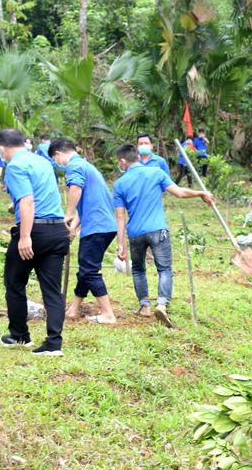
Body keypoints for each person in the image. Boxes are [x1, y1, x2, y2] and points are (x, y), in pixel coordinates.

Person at [112, 143, 213, 328]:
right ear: (137, 156)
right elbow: (180, 193)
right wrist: (200, 193)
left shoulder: (119, 184)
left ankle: (144, 306)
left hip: (135, 233)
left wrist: (121, 245)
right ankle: (161, 304)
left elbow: (120, 216)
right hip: (158, 229)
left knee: (138, 270)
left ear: (123, 161)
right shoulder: (156, 172)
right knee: (164, 269)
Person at [0, 129, 70, 356]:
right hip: (57, 230)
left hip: (34, 231)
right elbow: (42, 194)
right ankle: (53, 343)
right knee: (52, 290)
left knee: (15, 282)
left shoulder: (15, 167)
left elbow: (27, 201)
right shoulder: (43, 162)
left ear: (2, 149)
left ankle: (19, 335)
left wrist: (25, 236)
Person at [49, 138, 119, 324]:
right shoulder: (86, 166)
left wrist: (68, 215)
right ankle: (73, 308)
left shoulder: (75, 165)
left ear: (58, 154)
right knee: (86, 268)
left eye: (56, 160)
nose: (58, 164)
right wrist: (73, 228)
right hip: (103, 225)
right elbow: (86, 204)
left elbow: (76, 189)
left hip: (97, 226)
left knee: (89, 270)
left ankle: (107, 314)